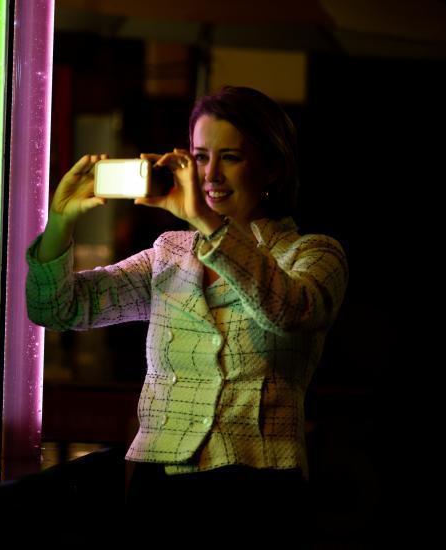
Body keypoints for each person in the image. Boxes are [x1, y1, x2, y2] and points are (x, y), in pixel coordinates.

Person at [25, 86, 348, 544]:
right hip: (159, 487)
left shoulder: (313, 253)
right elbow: (56, 308)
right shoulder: (168, 254)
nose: (211, 174)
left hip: (258, 488)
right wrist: (61, 222)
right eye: (199, 157)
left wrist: (208, 224)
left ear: (273, 166)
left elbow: (288, 311)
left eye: (230, 157)